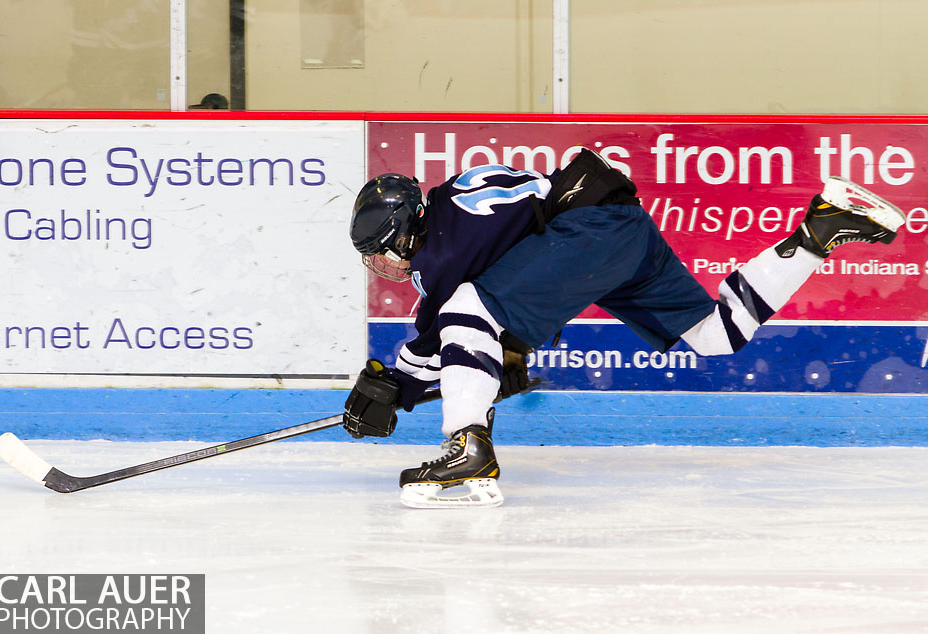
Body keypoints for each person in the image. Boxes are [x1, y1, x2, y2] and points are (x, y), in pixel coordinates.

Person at [342, 149, 907, 509]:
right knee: (716, 334)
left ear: (404, 227)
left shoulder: (441, 246)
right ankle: (818, 231)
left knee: (466, 313)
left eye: (380, 250)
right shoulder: (459, 196)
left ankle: (468, 446)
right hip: (614, 225)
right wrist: (497, 354)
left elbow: (440, 337)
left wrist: (392, 389)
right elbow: (513, 283)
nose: (384, 263)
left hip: (587, 230)